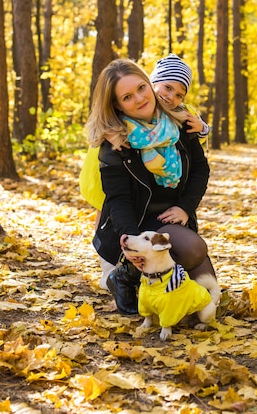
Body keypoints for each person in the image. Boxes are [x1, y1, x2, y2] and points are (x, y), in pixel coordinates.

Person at [85, 57, 218, 315]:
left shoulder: (181, 122)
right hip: (135, 223)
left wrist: (185, 207)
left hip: (170, 218)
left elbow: (201, 170)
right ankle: (125, 276)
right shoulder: (116, 142)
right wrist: (130, 240)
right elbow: (118, 198)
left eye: (141, 88)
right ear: (116, 104)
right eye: (127, 97)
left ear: (149, 83)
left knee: (202, 305)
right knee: (194, 250)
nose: (139, 99)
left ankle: (152, 274)